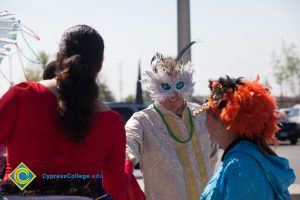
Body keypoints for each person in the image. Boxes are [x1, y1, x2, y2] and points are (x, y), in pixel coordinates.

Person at [0, 25, 145, 199]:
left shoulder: (22, 95)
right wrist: (127, 163)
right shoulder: (111, 121)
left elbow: (29, 172)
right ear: (100, 65)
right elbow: (115, 186)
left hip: (19, 193)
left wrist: (21, 175)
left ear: (59, 57)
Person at [125, 51, 219, 200]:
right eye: (166, 86)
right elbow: (128, 141)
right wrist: (127, 159)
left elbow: (213, 155)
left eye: (179, 85)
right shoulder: (143, 121)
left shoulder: (201, 116)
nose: (174, 93)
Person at [194, 76, 296, 200]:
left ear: (222, 122)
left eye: (207, 116)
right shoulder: (243, 160)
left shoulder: (240, 166)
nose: (204, 122)